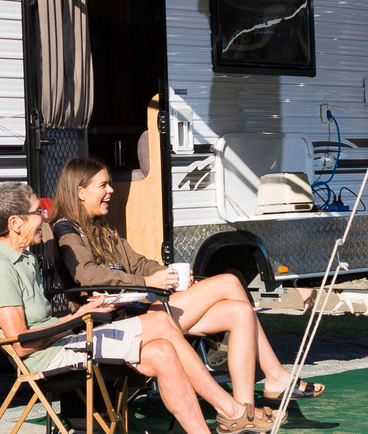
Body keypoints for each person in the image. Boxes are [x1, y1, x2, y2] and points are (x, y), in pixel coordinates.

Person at [0, 180, 271, 434]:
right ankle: (230, 411)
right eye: (38, 212)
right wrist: (81, 318)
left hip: (65, 343)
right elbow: (22, 343)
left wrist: (82, 310)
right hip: (46, 360)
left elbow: (43, 321)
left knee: (162, 352)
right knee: (160, 322)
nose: (45, 217)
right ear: (15, 222)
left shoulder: (24, 257)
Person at [48, 155, 323, 408]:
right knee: (228, 281)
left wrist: (167, 273)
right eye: (103, 185)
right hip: (121, 319)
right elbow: (87, 275)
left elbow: (138, 261)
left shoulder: (102, 227)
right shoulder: (67, 230)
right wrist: (146, 280)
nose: (111, 190)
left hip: (143, 307)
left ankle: (245, 410)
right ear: (80, 192)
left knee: (240, 312)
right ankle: (275, 376)